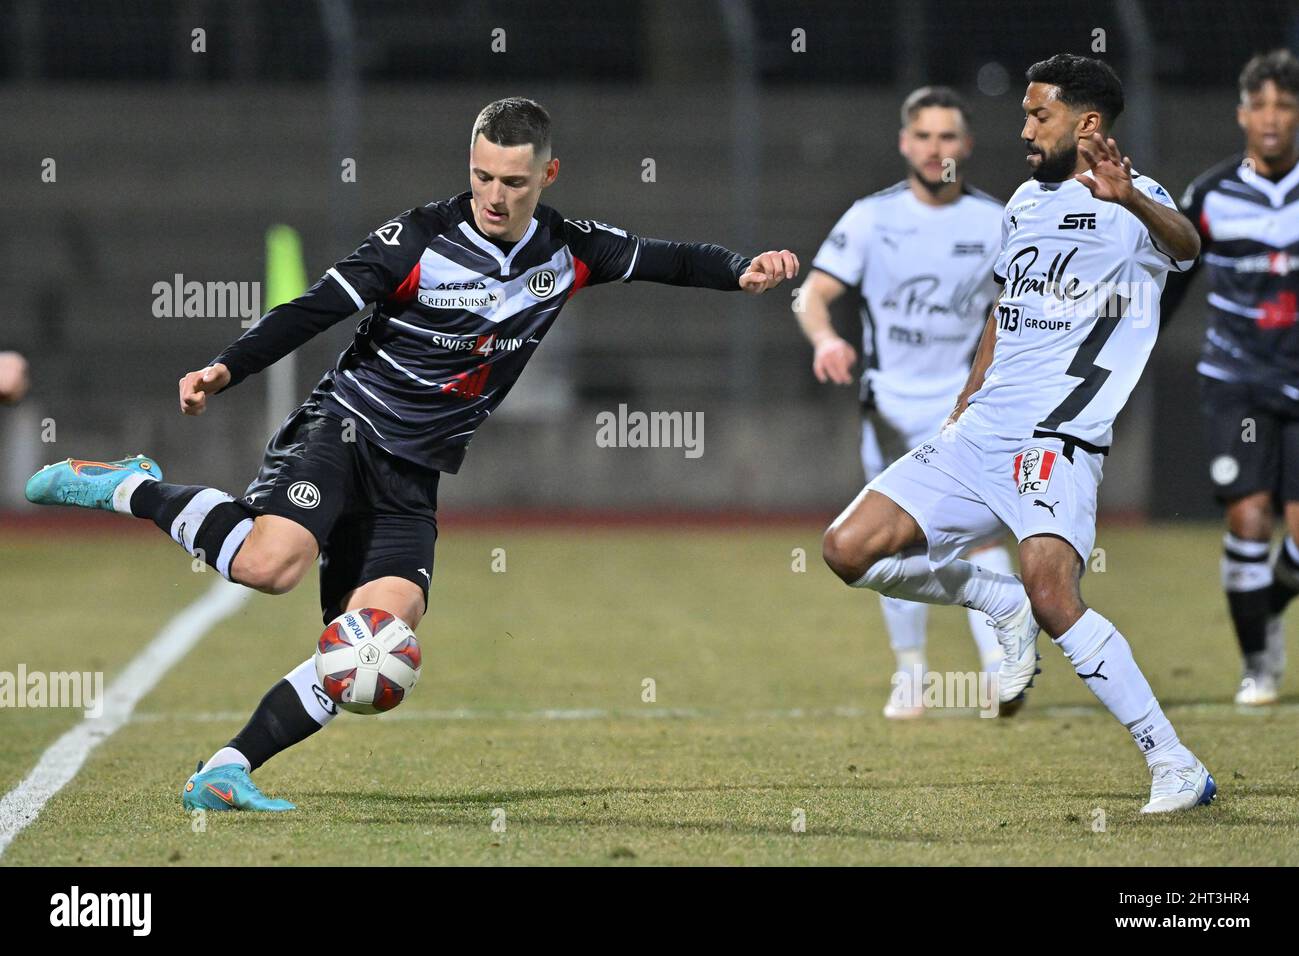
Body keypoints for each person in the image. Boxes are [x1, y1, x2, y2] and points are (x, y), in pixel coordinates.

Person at [25, 97, 800, 812]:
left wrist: (742, 270)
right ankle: (131, 488)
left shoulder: (571, 250)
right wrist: (226, 368)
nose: (495, 195)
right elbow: (317, 308)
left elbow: (670, 258)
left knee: (376, 646)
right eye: (482, 176)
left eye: (514, 181)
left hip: (412, 473)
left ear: (548, 175)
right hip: (346, 429)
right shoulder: (419, 239)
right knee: (271, 565)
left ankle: (223, 770)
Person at [820, 55, 1214, 812]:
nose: (1024, 128)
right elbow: (1003, 311)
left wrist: (1130, 197)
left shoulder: (1133, 199)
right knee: (846, 548)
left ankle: (1175, 764)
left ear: (1087, 123)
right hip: (981, 430)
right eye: (1027, 114)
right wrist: (966, 400)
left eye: (1039, 115)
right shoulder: (1025, 203)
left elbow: (1188, 246)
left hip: (1057, 435)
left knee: (1054, 596)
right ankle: (992, 601)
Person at [795, 86, 1010, 718]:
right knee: (890, 546)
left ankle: (1003, 673)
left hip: (965, 411)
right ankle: (912, 676)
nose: (935, 147)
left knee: (979, 536)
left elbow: (1021, 312)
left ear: (965, 146)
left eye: (948, 136)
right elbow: (810, 295)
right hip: (888, 410)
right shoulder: (871, 217)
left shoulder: (997, 221)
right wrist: (826, 338)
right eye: (924, 136)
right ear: (904, 143)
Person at [1163, 50, 1299, 705]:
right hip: (1238, 380)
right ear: (1242, 114)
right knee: (1248, 517)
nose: (1272, 118)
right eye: (1261, 105)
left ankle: (1265, 608)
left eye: (1285, 105)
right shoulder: (1212, 194)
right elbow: (1173, 285)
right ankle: (1258, 664)